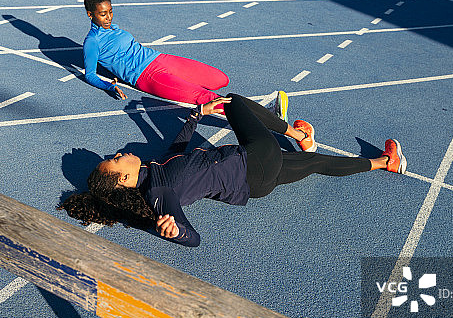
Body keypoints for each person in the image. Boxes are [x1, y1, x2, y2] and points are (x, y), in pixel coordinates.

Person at [59, 94, 406, 247]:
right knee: (234, 102)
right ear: (123, 179)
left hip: (254, 184)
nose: (119, 153)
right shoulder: (158, 194)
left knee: (315, 163)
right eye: (116, 159)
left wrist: (197, 115)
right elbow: (193, 239)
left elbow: (176, 149)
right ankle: (297, 133)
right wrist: (175, 231)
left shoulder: (153, 173)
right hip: (254, 160)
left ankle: (384, 163)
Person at [79, 0, 231, 114]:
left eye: (110, 12)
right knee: (208, 99)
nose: (109, 17)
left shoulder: (114, 28)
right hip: (147, 75)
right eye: (103, 14)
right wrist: (109, 86)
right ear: (90, 14)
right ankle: (248, 119)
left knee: (221, 80)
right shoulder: (92, 42)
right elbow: (90, 75)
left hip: (159, 58)